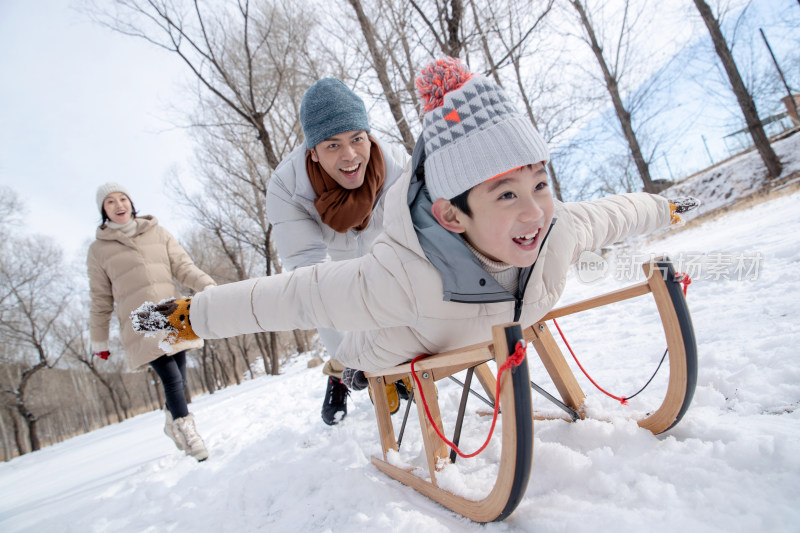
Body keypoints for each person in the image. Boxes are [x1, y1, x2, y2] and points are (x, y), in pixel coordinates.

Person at [131, 57, 697, 392]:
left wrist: (666, 206)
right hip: (397, 309)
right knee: (354, 311)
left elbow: (609, 214)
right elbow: (304, 288)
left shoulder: (543, 225)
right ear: (314, 153)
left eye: (541, 188)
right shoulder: (293, 194)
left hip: (420, 279)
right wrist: (187, 318)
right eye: (333, 146)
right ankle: (351, 372)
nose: (534, 213)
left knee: (376, 283)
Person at [266, 77, 410, 425]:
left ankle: (398, 365)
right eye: (332, 145)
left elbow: (415, 252)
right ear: (312, 152)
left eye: (356, 139)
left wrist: (400, 351)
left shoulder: (398, 167)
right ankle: (339, 375)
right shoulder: (288, 188)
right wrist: (357, 360)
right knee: (330, 302)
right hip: (330, 262)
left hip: (381, 251)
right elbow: (311, 283)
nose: (349, 156)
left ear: (369, 137)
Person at [87, 182, 216, 461]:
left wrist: (209, 287)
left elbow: (183, 267)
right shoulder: (98, 250)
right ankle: (188, 431)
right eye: (110, 201)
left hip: (171, 310)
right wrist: (99, 339)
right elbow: (100, 298)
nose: (118, 204)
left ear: (132, 203)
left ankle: (172, 420)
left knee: (180, 378)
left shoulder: (157, 233)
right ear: (103, 211)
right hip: (141, 318)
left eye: (123, 198)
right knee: (171, 378)